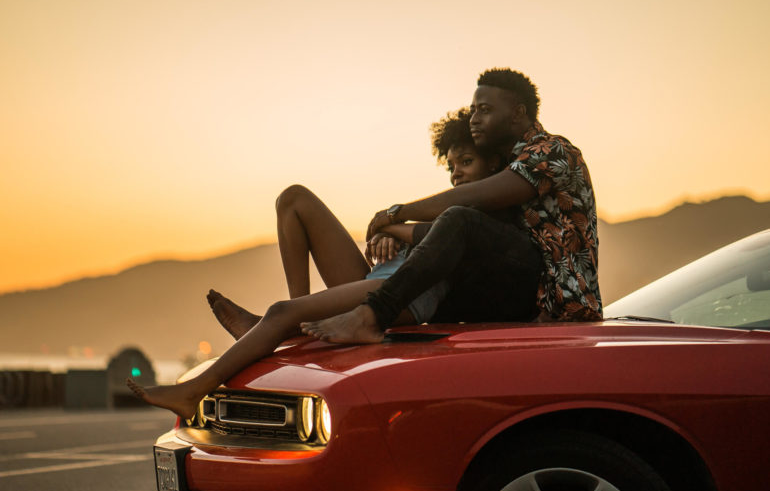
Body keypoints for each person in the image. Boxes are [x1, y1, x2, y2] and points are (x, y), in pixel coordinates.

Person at [127, 108, 510, 419]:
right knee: (293, 199)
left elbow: (444, 237)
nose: (456, 173)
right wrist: (391, 236)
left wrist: (393, 228)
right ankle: (290, 323)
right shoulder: (448, 208)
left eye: (466, 162)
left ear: (493, 166)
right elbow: (421, 232)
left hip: (400, 295)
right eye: (451, 165)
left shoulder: (486, 215)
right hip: (376, 277)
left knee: (281, 311)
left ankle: (195, 390)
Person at [301, 68, 602, 344]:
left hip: (563, 304)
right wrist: (395, 232)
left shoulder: (553, 151)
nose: (474, 119)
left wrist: (397, 214)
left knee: (461, 219)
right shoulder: (508, 163)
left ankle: (370, 316)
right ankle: (320, 322)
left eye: (485, 110)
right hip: (518, 293)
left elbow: (469, 201)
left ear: (517, 113)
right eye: (473, 110)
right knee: (445, 271)